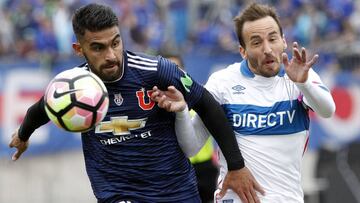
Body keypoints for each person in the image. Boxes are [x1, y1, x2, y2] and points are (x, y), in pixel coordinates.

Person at [7, 3, 263, 203]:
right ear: (78, 48)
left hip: (175, 191)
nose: (110, 55)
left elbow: (207, 105)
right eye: (97, 48)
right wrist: (23, 134)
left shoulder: (156, 70)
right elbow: (42, 109)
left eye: (115, 43)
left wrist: (236, 166)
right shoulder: (75, 87)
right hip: (118, 193)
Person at [150, 3, 336, 203]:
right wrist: (181, 112)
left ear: (283, 41)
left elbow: (327, 110)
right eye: (256, 43)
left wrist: (304, 82)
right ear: (243, 51)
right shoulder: (222, 82)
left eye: (272, 39)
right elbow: (191, 147)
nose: (267, 49)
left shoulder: (299, 76)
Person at [162, 52, 219, 203]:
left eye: (176, 68)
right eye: (166, 69)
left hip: (205, 168)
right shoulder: (156, 106)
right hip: (175, 170)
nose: (170, 74)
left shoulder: (200, 98)